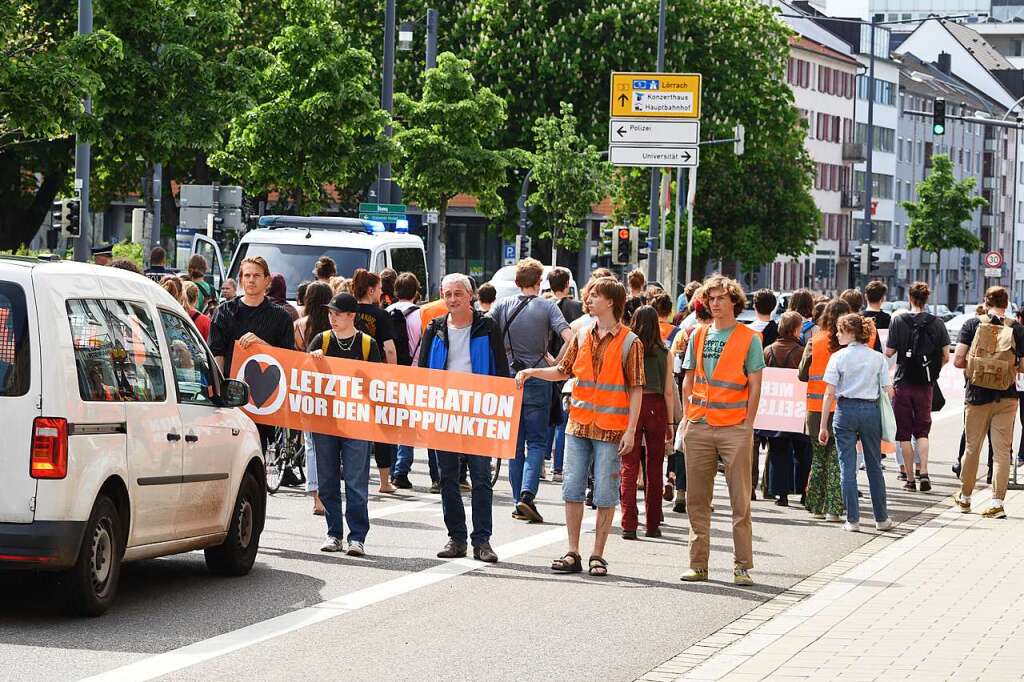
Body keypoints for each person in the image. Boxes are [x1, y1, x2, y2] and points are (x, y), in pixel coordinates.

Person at [516, 277, 643, 577]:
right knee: (572, 489)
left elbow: (636, 388)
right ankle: (573, 551)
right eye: (588, 295)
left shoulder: (630, 342)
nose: (589, 300)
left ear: (611, 301)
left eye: (595, 295)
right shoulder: (582, 334)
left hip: (611, 429)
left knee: (605, 492)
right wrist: (532, 372)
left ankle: (598, 554)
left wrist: (631, 430)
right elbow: (563, 371)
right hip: (579, 425)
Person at [679, 276, 764, 586]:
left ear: (734, 302)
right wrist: (688, 415)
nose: (713, 304)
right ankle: (698, 564)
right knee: (696, 500)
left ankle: (742, 566)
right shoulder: (698, 335)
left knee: (740, 501)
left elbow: (755, 383)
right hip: (699, 424)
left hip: (734, 427)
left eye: (720, 298)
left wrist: (748, 423)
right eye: (710, 299)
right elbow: (688, 379)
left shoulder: (749, 338)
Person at [418, 273, 506, 563]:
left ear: (471, 295)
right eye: (447, 294)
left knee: (481, 476)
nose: (452, 299)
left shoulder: (487, 326)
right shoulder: (435, 327)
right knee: (448, 477)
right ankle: (456, 538)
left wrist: (500, 411)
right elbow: (421, 372)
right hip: (444, 411)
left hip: (480, 409)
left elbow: (501, 371)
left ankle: (482, 541)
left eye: (458, 293)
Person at [489, 258, 573, 523]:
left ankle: (517, 501)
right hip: (538, 377)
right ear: (540, 283)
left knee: (515, 446)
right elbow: (571, 337)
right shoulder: (547, 307)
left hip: (510, 380)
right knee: (536, 441)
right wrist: (558, 361)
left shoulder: (502, 306)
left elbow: (486, 332)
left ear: (516, 283)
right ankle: (527, 495)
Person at [307, 293, 381, 555]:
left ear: (352, 316)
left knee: (355, 480)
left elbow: (378, 383)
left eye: (338, 313)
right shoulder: (322, 341)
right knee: (327, 479)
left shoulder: (367, 344)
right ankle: (333, 533)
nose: (333, 318)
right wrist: (312, 362)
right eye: (330, 313)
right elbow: (304, 378)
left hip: (357, 421)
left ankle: (357, 536)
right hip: (326, 420)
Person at [208, 256, 295, 454]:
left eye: (257, 275)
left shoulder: (280, 317)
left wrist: (263, 346)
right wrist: (219, 393)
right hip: (231, 394)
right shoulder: (224, 312)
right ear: (240, 279)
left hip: (263, 399)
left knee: (256, 452)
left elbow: (288, 358)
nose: (251, 280)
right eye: (246, 275)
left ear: (267, 280)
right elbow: (216, 354)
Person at [952, 286, 1024, 518]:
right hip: (1007, 396)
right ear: (1007, 303)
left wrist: (979, 368)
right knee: (1002, 451)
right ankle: (997, 503)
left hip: (976, 396)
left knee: (972, 448)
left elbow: (958, 360)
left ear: (985, 301)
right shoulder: (1017, 328)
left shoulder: (972, 325)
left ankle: (965, 498)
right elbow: (1022, 366)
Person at [819, 314, 894, 533]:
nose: (837, 334)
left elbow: (829, 393)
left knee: (847, 467)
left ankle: (853, 520)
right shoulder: (877, 357)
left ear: (850, 332)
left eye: (840, 331)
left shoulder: (838, 357)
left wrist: (824, 425)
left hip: (845, 410)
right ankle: (881, 518)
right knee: (874, 466)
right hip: (870, 410)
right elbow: (887, 390)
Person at [885, 281, 950, 493]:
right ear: (926, 298)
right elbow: (946, 356)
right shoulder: (937, 323)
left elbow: (889, 352)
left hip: (903, 382)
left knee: (903, 433)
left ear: (910, 298)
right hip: (925, 384)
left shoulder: (898, 320)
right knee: (922, 431)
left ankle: (910, 480)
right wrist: (932, 370)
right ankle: (925, 473)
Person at [619, 306, 674, 539]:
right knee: (654, 467)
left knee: (629, 466)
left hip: (631, 405)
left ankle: (628, 524)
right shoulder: (665, 352)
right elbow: (669, 391)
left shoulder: (628, 347)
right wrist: (670, 424)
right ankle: (653, 524)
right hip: (657, 407)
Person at [799, 299, 850, 521]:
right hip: (843, 409)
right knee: (836, 461)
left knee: (818, 459)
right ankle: (834, 508)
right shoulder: (849, 346)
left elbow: (802, 374)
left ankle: (815, 506)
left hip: (815, 408)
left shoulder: (814, 342)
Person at [351, 268, 398, 493]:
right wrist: (394, 375)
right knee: (381, 428)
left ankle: (354, 475)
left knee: (353, 427)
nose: (381, 293)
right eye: (379, 289)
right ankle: (384, 481)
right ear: (371, 290)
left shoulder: (347, 311)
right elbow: (388, 348)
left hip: (349, 376)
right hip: (376, 375)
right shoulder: (381, 315)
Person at [390, 272, 438, 490]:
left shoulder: (387, 312)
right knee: (421, 423)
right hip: (416, 372)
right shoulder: (423, 315)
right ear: (417, 291)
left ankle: (395, 469)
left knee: (395, 422)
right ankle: (431, 473)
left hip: (391, 372)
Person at [763, 312, 812, 507]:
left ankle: (781, 494)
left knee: (778, 450)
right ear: (793, 330)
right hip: (797, 408)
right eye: (800, 328)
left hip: (775, 409)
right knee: (803, 450)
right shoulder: (801, 352)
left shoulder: (768, 351)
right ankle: (803, 492)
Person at [294, 281, 333, 516]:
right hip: (330, 389)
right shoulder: (332, 328)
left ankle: (316, 495)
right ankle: (328, 492)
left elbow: (295, 358)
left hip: (306, 387)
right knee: (331, 444)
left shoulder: (299, 326)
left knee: (310, 444)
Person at [547, 267, 584, 482]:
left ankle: (547, 461)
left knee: (550, 417)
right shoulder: (577, 309)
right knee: (565, 418)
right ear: (568, 283)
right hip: (574, 368)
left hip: (551, 364)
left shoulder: (546, 307)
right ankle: (559, 467)